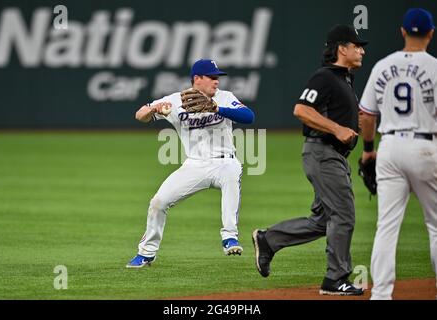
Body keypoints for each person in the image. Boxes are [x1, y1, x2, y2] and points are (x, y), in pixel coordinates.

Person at [252, 25, 367, 296]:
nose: (361, 50)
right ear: (342, 49)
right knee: (343, 215)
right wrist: (338, 129)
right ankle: (335, 279)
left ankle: (269, 240)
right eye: (356, 45)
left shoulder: (344, 79)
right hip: (324, 153)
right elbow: (301, 109)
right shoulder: (325, 77)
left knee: (323, 220)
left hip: (331, 155)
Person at [126, 59, 255, 268]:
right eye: (212, 77)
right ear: (197, 79)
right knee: (158, 202)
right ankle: (146, 253)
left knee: (232, 175)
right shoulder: (176, 100)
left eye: (218, 77)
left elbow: (249, 117)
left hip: (225, 162)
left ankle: (229, 237)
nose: (216, 81)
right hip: (194, 165)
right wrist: (154, 109)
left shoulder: (225, 97)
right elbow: (140, 114)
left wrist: (216, 108)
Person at [359, 8, 437, 300]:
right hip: (425, 145)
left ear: (403, 32)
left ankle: (380, 295)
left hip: (389, 146)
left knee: (387, 226)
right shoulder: (434, 67)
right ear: (430, 33)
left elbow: (366, 116)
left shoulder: (382, 66)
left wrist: (369, 151)